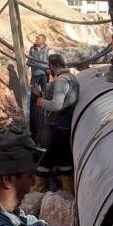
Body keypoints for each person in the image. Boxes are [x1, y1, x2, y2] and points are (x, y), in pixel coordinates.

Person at [34, 54, 79, 195]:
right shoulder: (73, 79)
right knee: (64, 160)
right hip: (64, 127)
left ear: (52, 66)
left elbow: (56, 104)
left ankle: (37, 191)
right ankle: (68, 193)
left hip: (56, 128)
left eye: (50, 67)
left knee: (45, 160)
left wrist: (39, 101)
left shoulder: (61, 81)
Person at [27, 35, 50, 137]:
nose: (35, 39)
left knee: (45, 92)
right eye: (36, 38)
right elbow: (29, 60)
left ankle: (44, 110)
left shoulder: (48, 50)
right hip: (35, 73)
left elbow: (49, 62)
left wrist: (49, 70)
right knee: (33, 93)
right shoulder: (32, 48)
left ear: (43, 40)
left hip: (44, 74)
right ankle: (33, 110)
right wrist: (27, 66)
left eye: (38, 38)